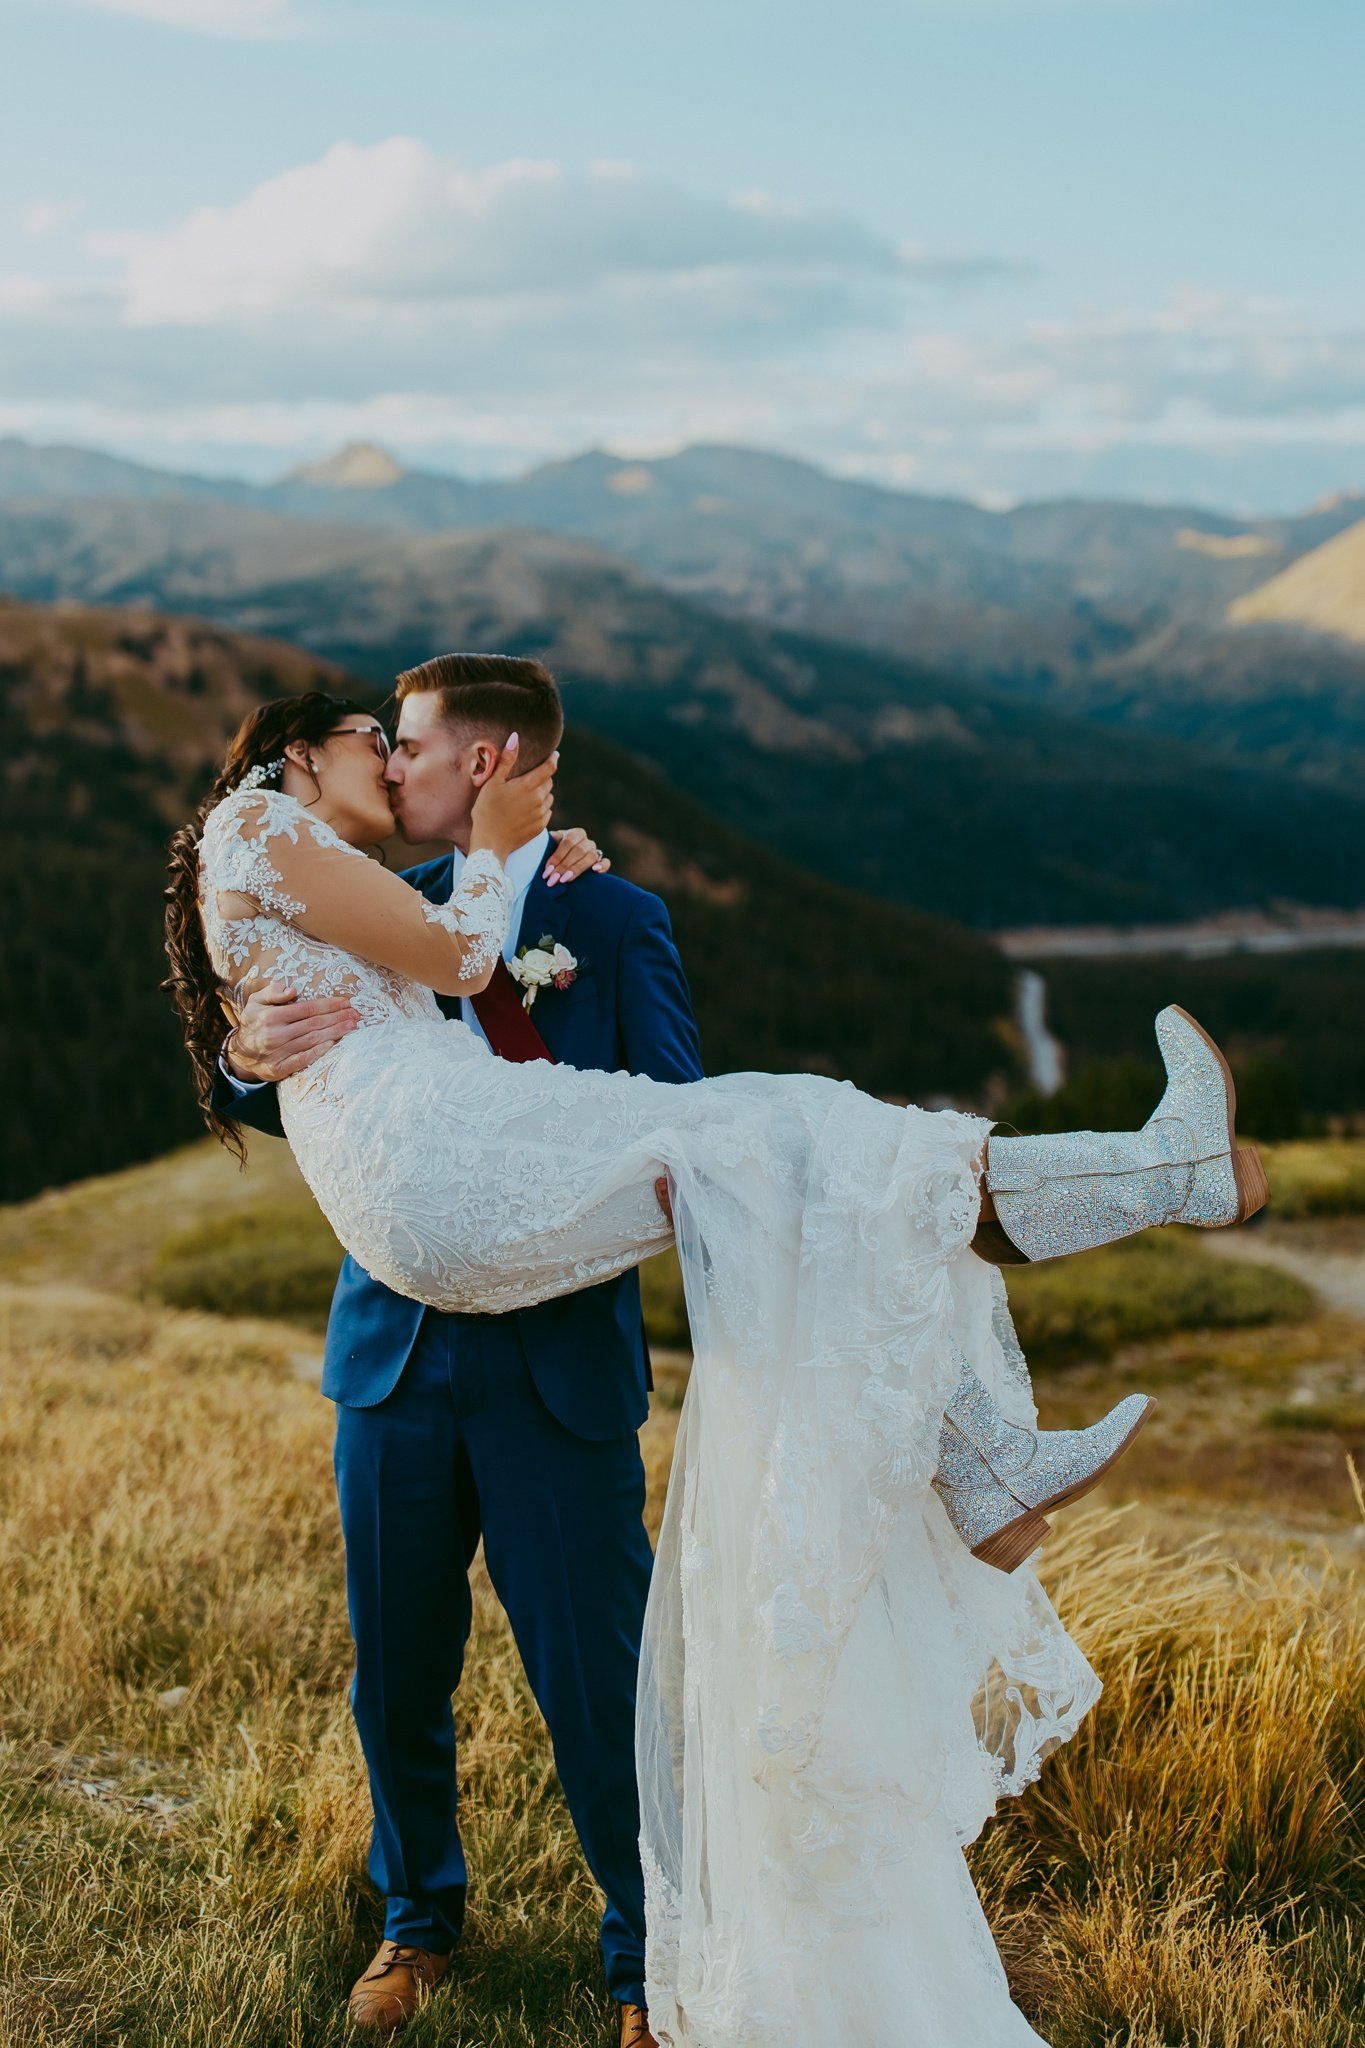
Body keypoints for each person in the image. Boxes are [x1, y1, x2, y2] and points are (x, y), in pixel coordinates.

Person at [166, 662, 1266, 2048]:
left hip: (553, 1361)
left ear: (487, 761)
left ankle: (646, 1961)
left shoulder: (604, 913)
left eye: (411, 751)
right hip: (395, 1349)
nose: (392, 772)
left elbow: (673, 1111)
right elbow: (291, 1058)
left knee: (601, 1677)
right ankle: (415, 1923)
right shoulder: (339, 883)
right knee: (395, 1672)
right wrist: (247, 1057)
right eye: (377, 751)